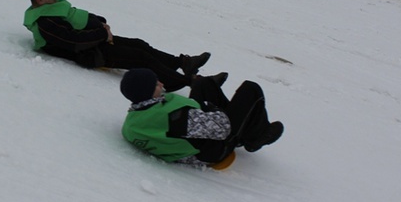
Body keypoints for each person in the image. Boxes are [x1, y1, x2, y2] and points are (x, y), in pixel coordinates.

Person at [24, 0, 212, 91]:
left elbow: (75, 15)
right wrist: (102, 34)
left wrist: (100, 21)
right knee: (140, 57)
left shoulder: (50, 6)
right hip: (91, 53)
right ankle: (189, 82)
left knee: (139, 44)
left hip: (97, 40)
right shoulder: (45, 23)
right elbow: (74, 42)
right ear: (40, 0)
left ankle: (182, 63)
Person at [120, 68, 284, 167]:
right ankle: (254, 138)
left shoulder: (134, 120)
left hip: (192, 131)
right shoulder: (173, 118)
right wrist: (211, 108)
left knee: (203, 84)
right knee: (250, 89)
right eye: (156, 84)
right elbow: (223, 128)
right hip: (214, 148)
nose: (162, 84)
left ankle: (248, 125)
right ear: (147, 92)